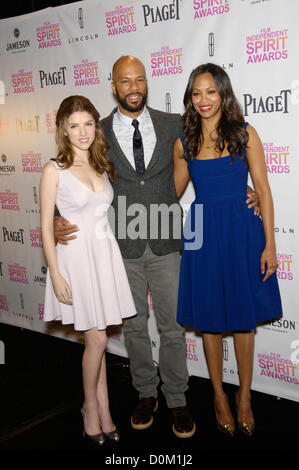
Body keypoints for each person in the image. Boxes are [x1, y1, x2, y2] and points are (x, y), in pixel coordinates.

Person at [53, 56, 259, 438]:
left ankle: (178, 398)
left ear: (146, 83)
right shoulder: (96, 131)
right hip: (119, 244)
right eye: (125, 81)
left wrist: (243, 190)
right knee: (133, 327)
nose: (133, 87)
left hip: (167, 240)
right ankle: (146, 393)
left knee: (173, 326)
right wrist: (55, 216)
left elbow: (207, 160)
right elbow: (70, 170)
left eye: (139, 79)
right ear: (113, 86)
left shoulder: (175, 125)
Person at [173, 63, 283, 437]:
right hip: (203, 234)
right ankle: (219, 395)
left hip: (241, 232)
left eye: (211, 91)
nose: (203, 100)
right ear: (190, 98)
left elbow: (263, 190)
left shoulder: (245, 134)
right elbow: (169, 194)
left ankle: (245, 397)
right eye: (196, 93)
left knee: (242, 321)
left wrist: (270, 243)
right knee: (209, 321)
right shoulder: (184, 143)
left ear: (223, 93)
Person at [40, 95, 137, 446]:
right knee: (96, 338)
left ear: (96, 127)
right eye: (74, 126)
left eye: (88, 124)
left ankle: (106, 410)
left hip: (103, 257)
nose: (82, 132)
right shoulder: (54, 170)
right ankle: (90, 410)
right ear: (63, 130)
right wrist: (56, 274)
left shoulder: (100, 164)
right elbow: (44, 227)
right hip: (76, 263)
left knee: (97, 340)